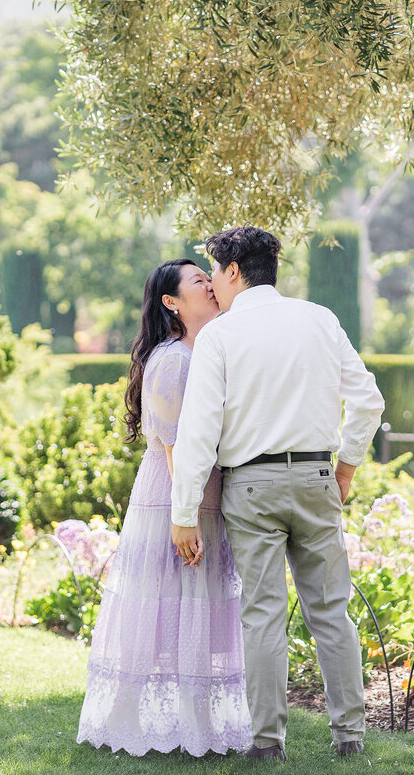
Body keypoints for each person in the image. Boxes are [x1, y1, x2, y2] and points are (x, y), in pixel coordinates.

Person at [170, 227, 385, 761]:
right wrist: (346, 469)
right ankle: (350, 738)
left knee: (263, 614)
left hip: (252, 487)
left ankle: (268, 745)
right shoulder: (319, 319)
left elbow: (199, 432)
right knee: (332, 612)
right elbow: (368, 401)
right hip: (316, 479)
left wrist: (183, 514)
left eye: (215, 270)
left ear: (234, 270)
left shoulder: (219, 337)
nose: (213, 282)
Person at [76, 259, 252, 757]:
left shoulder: (210, 351)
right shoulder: (174, 360)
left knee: (194, 603)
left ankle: (197, 726)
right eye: (198, 281)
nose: (210, 285)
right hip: (174, 495)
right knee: (166, 603)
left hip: (202, 494)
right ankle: (144, 724)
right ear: (172, 303)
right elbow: (176, 446)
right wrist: (186, 517)